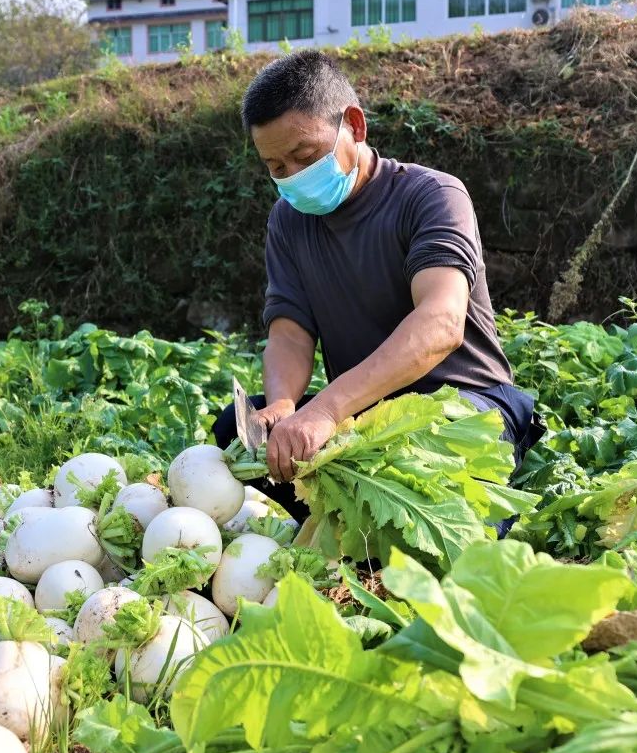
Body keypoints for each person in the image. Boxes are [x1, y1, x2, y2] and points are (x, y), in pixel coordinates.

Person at [213, 50, 543, 527]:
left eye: (304, 157)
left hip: (463, 406)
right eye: (276, 167)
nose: (293, 177)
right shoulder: (288, 220)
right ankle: (344, 523)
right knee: (235, 428)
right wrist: (284, 405)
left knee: (436, 500)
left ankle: (357, 523)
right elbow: (289, 333)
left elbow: (441, 323)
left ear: (354, 125)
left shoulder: (432, 196)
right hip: (365, 411)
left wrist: (325, 411)